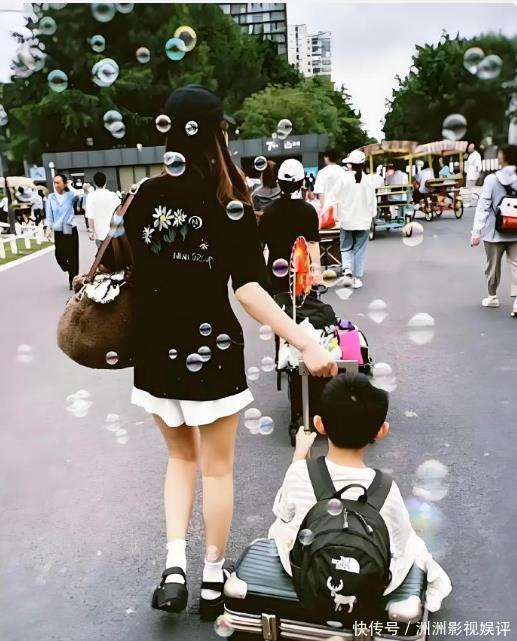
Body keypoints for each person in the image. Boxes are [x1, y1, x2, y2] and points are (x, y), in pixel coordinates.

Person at [102, 85, 337, 619]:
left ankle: (174, 569)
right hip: (212, 349)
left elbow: (123, 265)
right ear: (218, 133)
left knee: (179, 459)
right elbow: (249, 289)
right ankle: (212, 578)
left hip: (154, 350)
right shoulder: (229, 200)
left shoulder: (142, 197)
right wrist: (304, 340)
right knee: (216, 469)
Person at [269, 372, 452, 616]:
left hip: (306, 571)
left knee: (280, 527)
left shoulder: (299, 472)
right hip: (371, 581)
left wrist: (300, 455)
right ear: (381, 431)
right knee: (411, 541)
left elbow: (283, 514)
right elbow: (398, 542)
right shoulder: (385, 487)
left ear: (319, 424)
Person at [259, 158, 321, 295]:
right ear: (302, 183)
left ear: (278, 183)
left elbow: (260, 245)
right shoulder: (309, 211)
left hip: (275, 273)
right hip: (302, 274)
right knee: (303, 307)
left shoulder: (268, 211)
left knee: (277, 306)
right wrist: (316, 271)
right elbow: (312, 244)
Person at [470, 144, 517, 315]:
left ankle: (492, 297)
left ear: (503, 158)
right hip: (516, 231)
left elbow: (483, 206)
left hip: (494, 232)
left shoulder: (492, 179)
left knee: (492, 267)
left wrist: (476, 232)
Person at [330, 149, 377, 289]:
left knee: (346, 246)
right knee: (359, 249)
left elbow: (334, 196)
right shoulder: (368, 180)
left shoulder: (343, 178)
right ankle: (356, 277)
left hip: (347, 220)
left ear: (350, 164)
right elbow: (372, 202)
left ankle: (347, 270)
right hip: (363, 221)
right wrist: (371, 216)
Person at [45, 173, 79, 290]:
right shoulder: (51, 197)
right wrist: (48, 228)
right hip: (59, 229)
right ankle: (69, 269)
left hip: (69, 227)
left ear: (64, 184)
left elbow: (80, 194)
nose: (56, 185)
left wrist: (69, 186)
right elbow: (49, 215)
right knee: (59, 255)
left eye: (58, 183)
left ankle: (73, 279)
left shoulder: (70, 195)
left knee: (72, 255)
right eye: (54, 182)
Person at [86, 172, 121, 248]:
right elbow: (120, 212)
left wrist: (91, 231)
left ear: (94, 183)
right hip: (114, 233)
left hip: (100, 234)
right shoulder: (113, 195)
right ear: (106, 182)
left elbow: (90, 216)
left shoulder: (91, 196)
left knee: (101, 253)